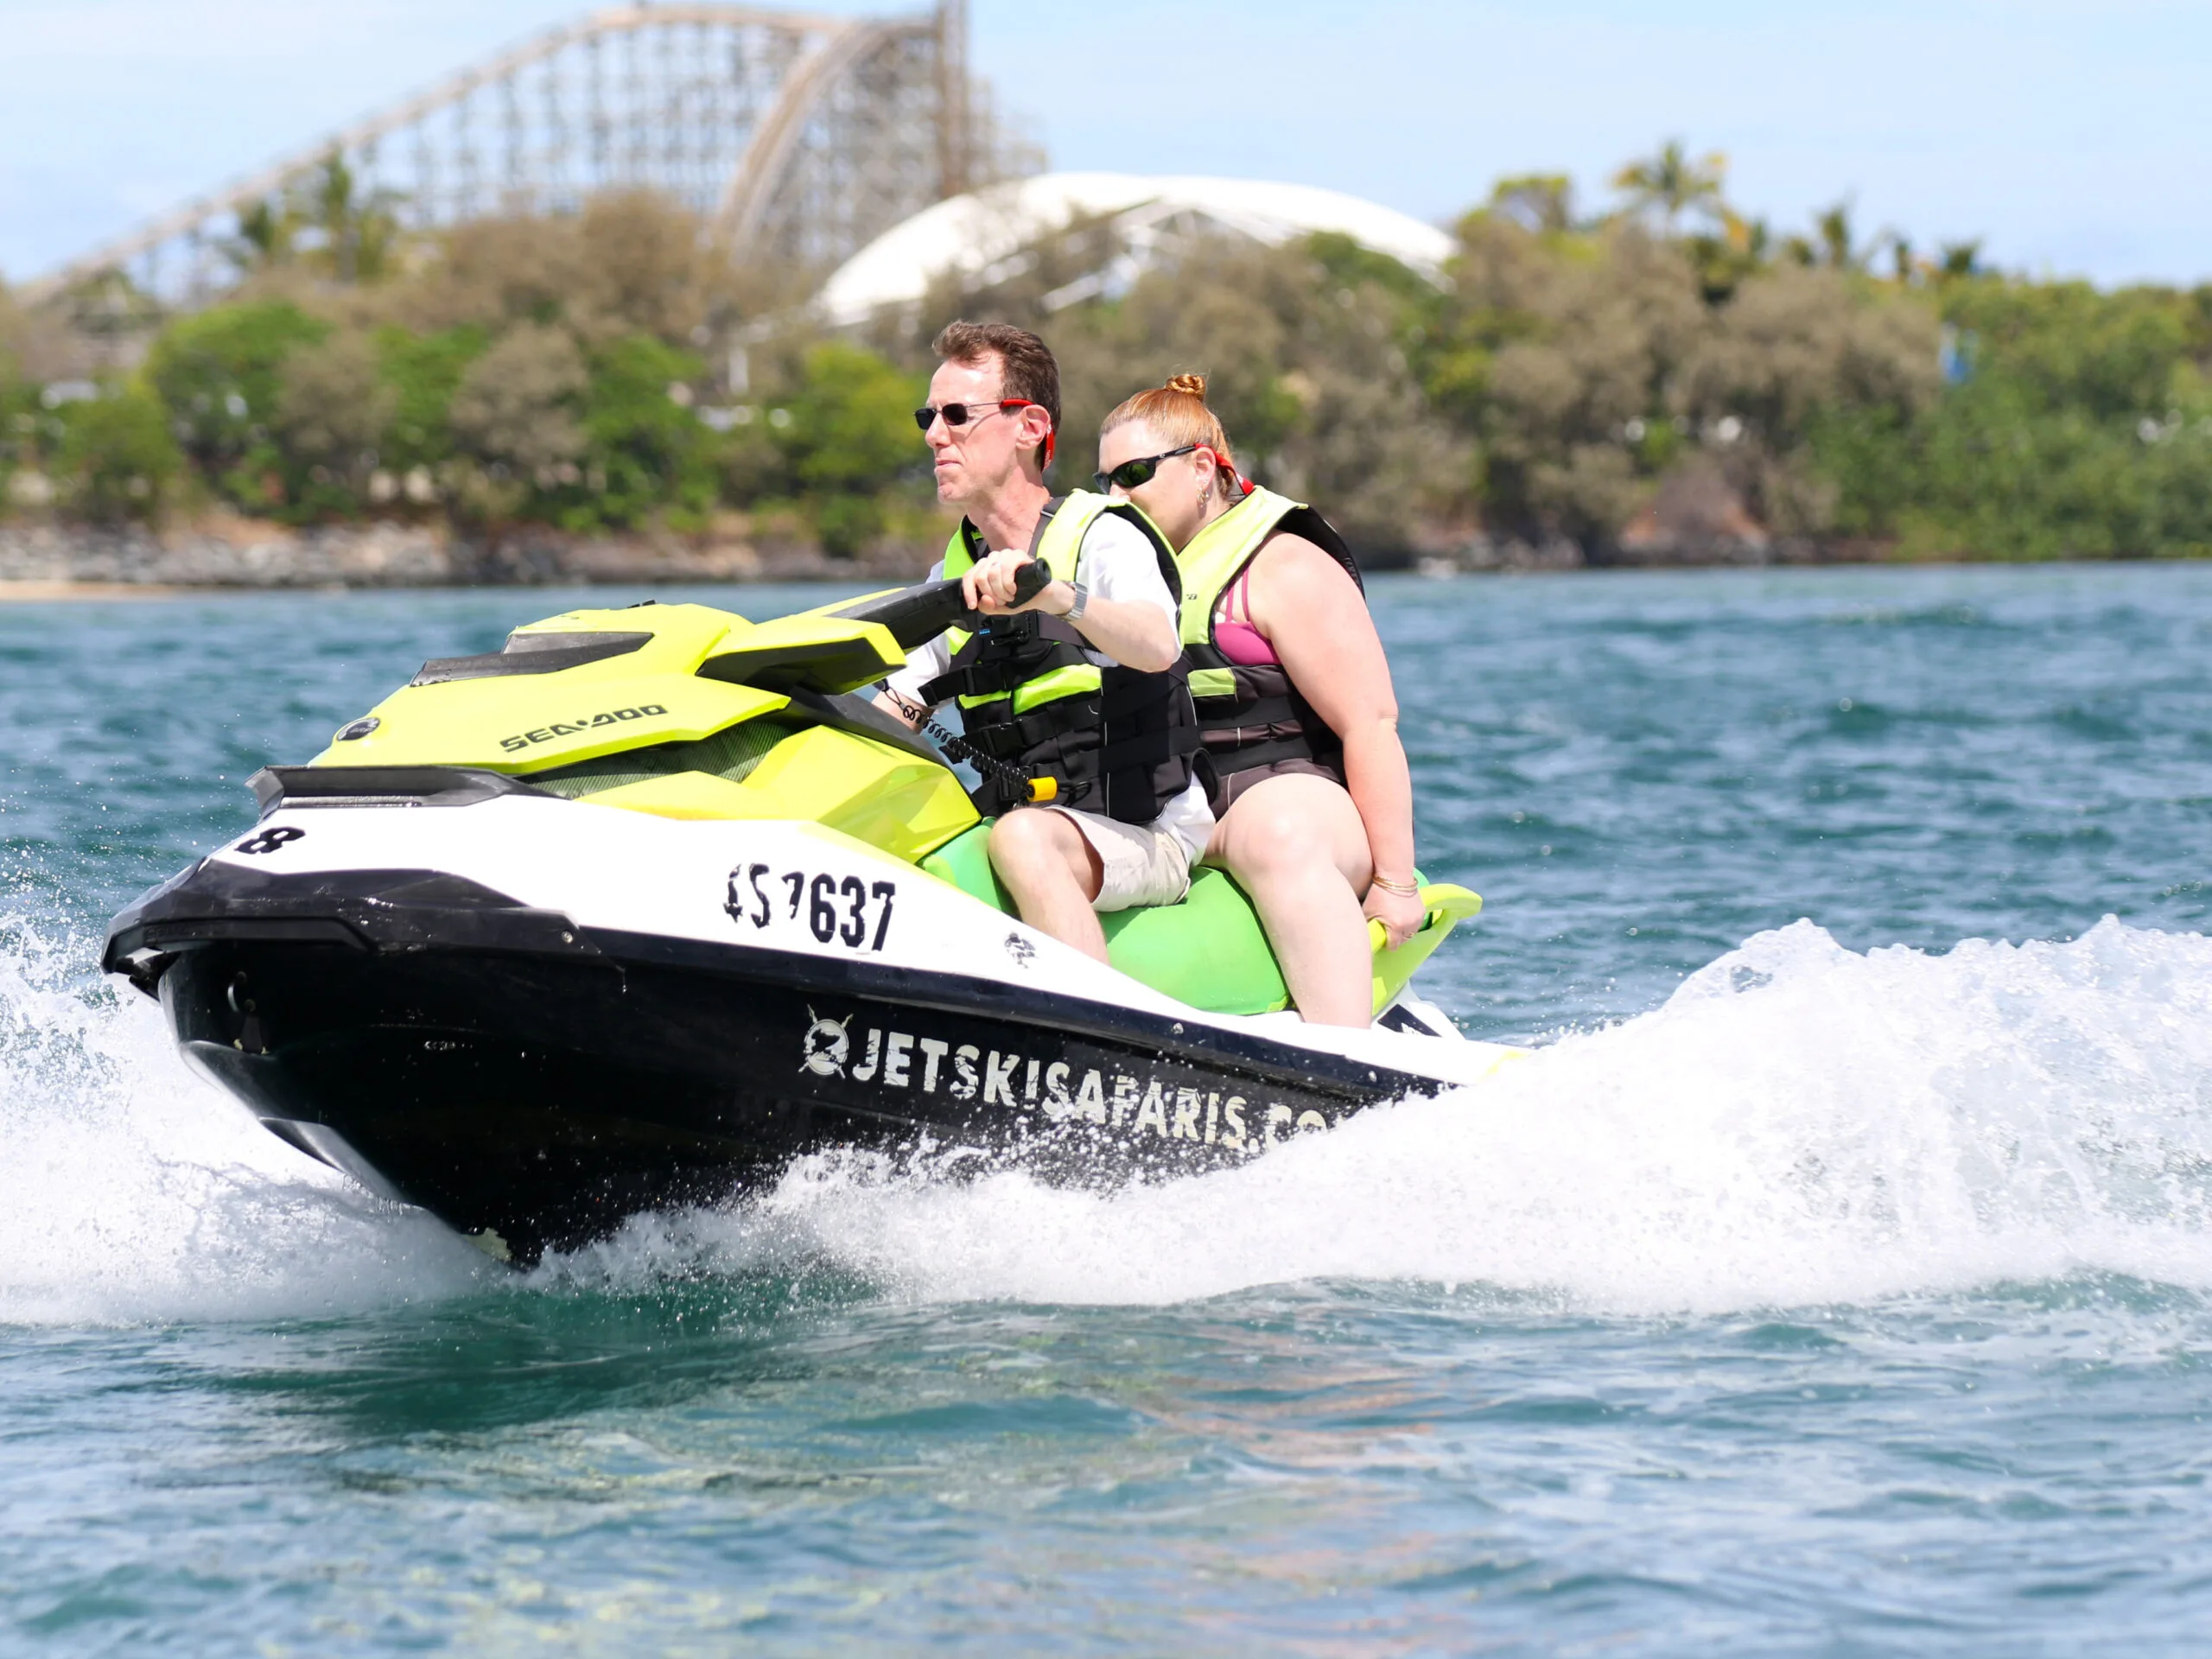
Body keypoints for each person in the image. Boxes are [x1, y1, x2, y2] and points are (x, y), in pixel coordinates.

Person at [875, 322, 1211, 964]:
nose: (932, 434)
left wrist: (1059, 597)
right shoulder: (952, 578)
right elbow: (897, 709)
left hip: (1149, 832)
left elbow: (1157, 645)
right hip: (1038, 821)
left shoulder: (1103, 536)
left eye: (955, 414)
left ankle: (1101, 1035)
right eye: (928, 415)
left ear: (1029, 427)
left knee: (1022, 838)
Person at [1094, 374, 1423, 1027]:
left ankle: (1343, 1056)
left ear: (1198, 469)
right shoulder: (1110, 572)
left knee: (1278, 835)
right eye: (1103, 480)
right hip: (1175, 809)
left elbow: (1371, 724)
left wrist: (1396, 883)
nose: (1114, 496)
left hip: (1291, 801)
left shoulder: (1284, 567)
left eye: (1132, 473)